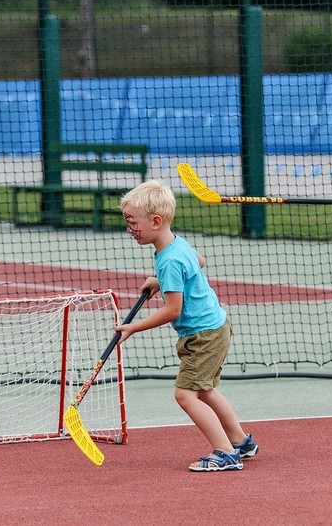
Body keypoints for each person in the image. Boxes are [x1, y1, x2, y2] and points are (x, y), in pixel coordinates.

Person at [115, 179, 258, 470]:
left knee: (185, 395)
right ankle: (240, 442)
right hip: (215, 328)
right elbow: (198, 261)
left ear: (156, 221)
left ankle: (225, 453)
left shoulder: (168, 260)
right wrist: (162, 281)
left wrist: (133, 327)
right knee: (205, 390)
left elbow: (173, 310)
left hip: (204, 335)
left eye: (133, 222)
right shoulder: (176, 244)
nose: (129, 228)